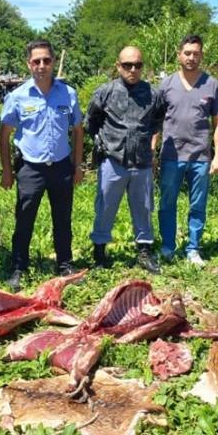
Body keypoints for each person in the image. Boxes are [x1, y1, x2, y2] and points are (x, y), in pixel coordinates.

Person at [0, 39, 84, 291]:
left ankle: (65, 264)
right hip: (30, 168)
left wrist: (78, 166)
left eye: (46, 60)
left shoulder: (67, 94)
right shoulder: (17, 96)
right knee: (24, 218)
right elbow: (4, 134)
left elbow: (78, 130)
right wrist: (7, 170)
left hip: (60, 166)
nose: (42, 65)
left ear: (53, 62)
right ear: (28, 64)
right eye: (36, 61)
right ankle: (18, 266)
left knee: (63, 217)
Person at [87, 46, 165, 273]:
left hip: (141, 162)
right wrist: (103, 144)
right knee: (105, 208)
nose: (133, 69)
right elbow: (91, 121)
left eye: (138, 65)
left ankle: (144, 251)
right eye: (127, 65)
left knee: (143, 208)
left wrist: (150, 146)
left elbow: (157, 120)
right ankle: (99, 253)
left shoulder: (153, 94)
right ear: (118, 66)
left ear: (143, 66)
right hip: (113, 160)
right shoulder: (105, 92)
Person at [154, 35, 218, 266]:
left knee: (198, 204)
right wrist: (152, 150)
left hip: (200, 156)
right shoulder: (166, 85)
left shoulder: (212, 84)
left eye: (196, 53)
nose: (191, 57)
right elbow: (155, 120)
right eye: (187, 53)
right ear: (179, 55)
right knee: (167, 203)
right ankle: (167, 246)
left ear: (201, 55)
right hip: (171, 155)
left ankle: (193, 248)